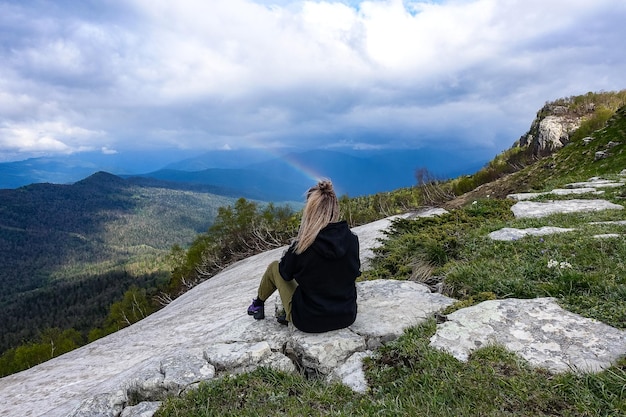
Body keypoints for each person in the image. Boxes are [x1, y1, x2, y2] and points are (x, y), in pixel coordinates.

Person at [247, 179, 361, 333]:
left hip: (309, 320)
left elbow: (285, 273)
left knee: (274, 267)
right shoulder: (351, 240)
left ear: (310, 211)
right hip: (346, 316)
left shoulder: (303, 246)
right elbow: (354, 271)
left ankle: (258, 304)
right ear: (335, 208)